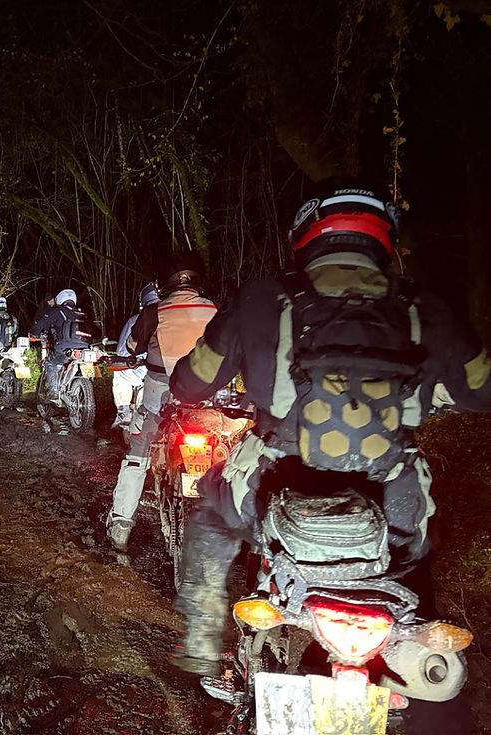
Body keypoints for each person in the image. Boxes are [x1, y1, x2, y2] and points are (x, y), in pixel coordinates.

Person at [167, 181, 491, 676]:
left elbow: (190, 385)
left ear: (305, 235)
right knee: (413, 564)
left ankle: (203, 641)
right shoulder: (429, 307)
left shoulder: (262, 300)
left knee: (212, 508)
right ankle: (424, 666)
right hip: (394, 502)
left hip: (274, 491)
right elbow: (482, 391)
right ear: (383, 238)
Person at [106, 255, 218, 551]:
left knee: (137, 453)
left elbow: (132, 347)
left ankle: (121, 524)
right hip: (206, 400)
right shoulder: (214, 309)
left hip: (159, 397)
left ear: (164, 282)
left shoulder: (154, 312)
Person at [111, 282, 160, 430]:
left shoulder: (138, 320)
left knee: (119, 374)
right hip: (177, 371)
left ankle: (123, 412)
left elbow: (123, 350)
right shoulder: (176, 315)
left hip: (146, 369)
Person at [28, 289, 90, 402]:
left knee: (50, 362)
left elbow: (41, 323)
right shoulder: (82, 313)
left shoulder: (58, 311)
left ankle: (54, 391)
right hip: (84, 348)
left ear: (60, 299)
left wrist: (33, 333)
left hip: (64, 347)